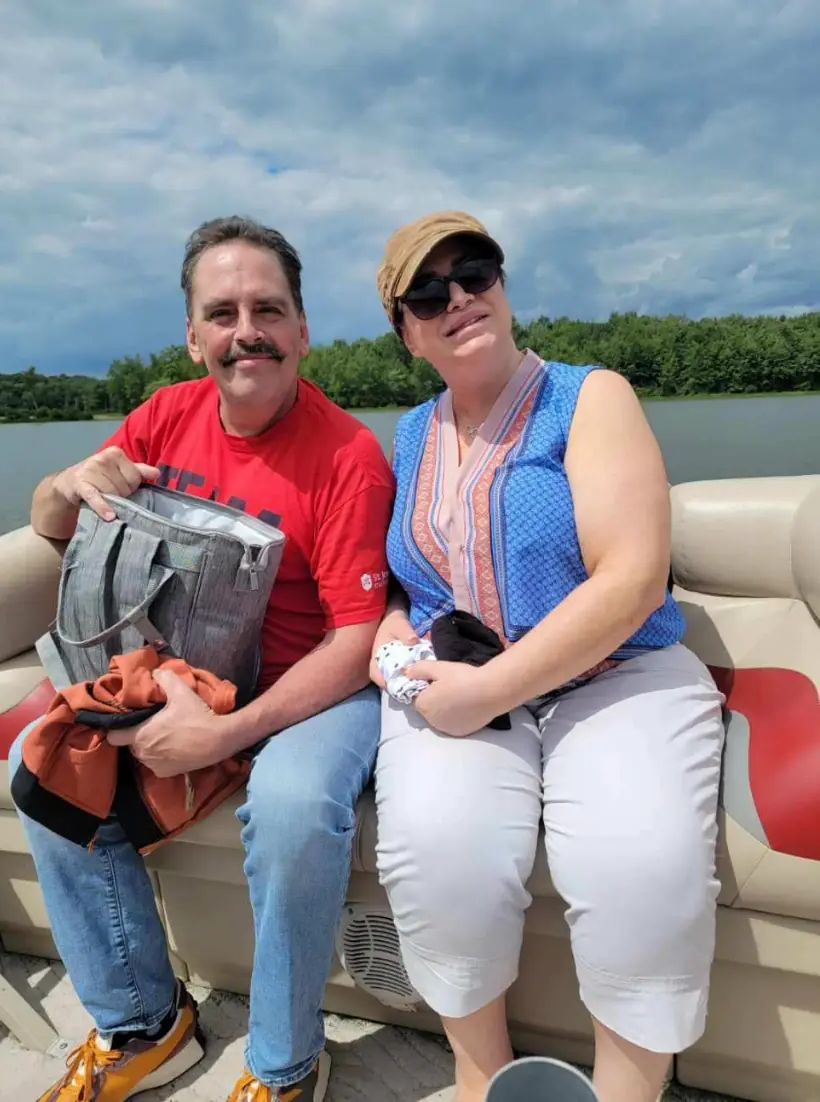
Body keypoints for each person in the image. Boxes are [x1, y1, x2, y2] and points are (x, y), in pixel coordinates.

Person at [10, 215, 395, 1102]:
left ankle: (286, 1064)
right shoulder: (163, 416)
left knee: (294, 809)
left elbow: (355, 641)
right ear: (193, 337)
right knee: (47, 759)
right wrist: (68, 483)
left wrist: (226, 734)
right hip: (181, 674)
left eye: (268, 309)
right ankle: (146, 1025)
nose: (246, 330)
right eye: (222, 313)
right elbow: (47, 519)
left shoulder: (349, 456)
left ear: (302, 330)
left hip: (310, 690)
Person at [370, 211, 726, 1102]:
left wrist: (487, 689)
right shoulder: (411, 434)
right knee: (435, 847)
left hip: (616, 672)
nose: (459, 297)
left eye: (476, 272)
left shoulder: (589, 396)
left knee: (641, 860)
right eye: (428, 294)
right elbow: (411, 577)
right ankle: (480, 1076)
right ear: (409, 334)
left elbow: (632, 579)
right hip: (462, 673)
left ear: (502, 284)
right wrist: (392, 633)